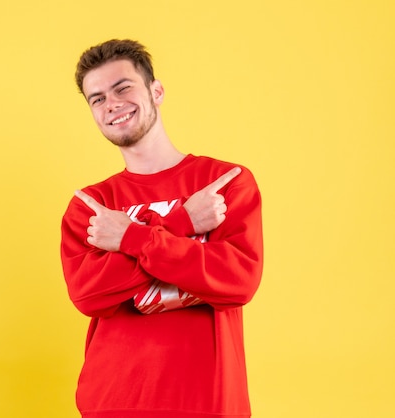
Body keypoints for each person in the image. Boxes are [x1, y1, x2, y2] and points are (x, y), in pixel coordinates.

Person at [60, 39, 264, 418]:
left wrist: (127, 240)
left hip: (209, 402)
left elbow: (238, 280)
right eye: (97, 98)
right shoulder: (91, 205)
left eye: (123, 88)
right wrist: (183, 225)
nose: (112, 104)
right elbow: (90, 296)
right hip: (111, 402)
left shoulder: (224, 182)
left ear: (156, 91)